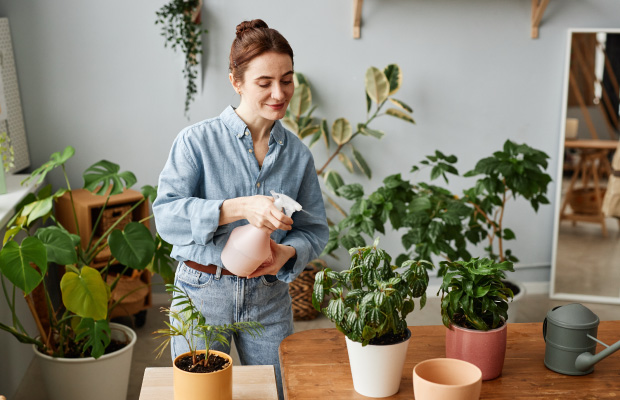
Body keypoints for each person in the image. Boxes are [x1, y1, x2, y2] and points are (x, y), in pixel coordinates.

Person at [152, 19, 329, 399]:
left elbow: (314, 229)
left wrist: (287, 252)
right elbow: (166, 216)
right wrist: (238, 208)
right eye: (264, 83)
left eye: (287, 79)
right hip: (200, 292)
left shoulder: (297, 155)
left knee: (278, 392)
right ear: (236, 82)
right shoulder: (196, 142)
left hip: (268, 298)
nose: (279, 93)